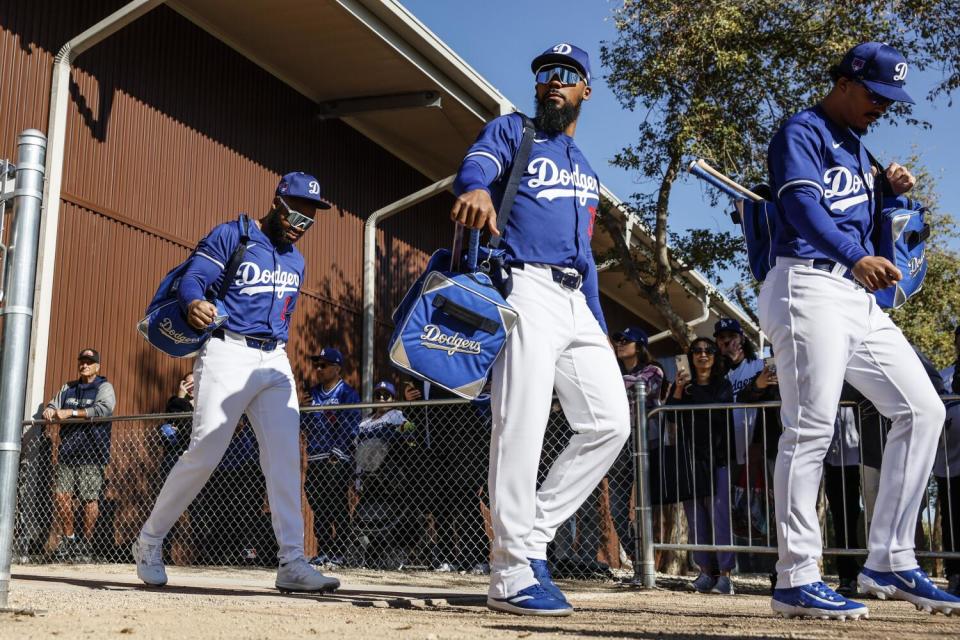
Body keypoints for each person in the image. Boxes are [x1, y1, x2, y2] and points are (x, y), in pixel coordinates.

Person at [761, 41, 957, 619]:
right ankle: (795, 575)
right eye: (876, 95)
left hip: (854, 295)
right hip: (806, 284)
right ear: (845, 82)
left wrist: (886, 194)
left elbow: (873, 236)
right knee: (810, 429)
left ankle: (891, 559)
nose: (883, 107)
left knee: (924, 409)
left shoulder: (861, 154)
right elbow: (800, 210)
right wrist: (854, 254)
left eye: (890, 99)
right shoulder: (802, 132)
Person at [450, 43, 630, 615]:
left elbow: (585, 256)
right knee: (521, 423)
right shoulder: (513, 132)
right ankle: (508, 569)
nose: (553, 82)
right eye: (546, 75)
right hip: (523, 285)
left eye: (567, 75)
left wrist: (599, 326)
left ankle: (532, 537)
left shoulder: (585, 167)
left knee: (610, 422)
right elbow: (477, 164)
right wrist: (475, 188)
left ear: (585, 90)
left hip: (576, 299)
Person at [132, 171, 340, 593]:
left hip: (274, 359)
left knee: (284, 460)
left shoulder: (297, 260)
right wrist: (193, 303)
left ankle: (292, 562)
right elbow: (194, 277)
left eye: (311, 213)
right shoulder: (234, 235)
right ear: (278, 199)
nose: (303, 219)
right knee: (205, 451)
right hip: (228, 350)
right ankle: (149, 542)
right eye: (298, 207)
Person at [668, 338, 736, 595]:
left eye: (708, 350)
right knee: (696, 518)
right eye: (697, 351)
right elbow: (671, 415)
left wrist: (692, 393)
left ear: (715, 357)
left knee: (720, 516)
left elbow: (719, 408)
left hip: (718, 458)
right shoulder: (682, 387)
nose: (702, 355)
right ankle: (705, 572)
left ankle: (726, 575)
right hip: (691, 459)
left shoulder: (723, 384)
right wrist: (678, 389)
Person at [43, 348, 116, 563]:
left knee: (89, 499)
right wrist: (49, 409)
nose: (84, 365)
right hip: (67, 452)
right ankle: (69, 539)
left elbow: (104, 409)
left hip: (92, 453)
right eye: (82, 361)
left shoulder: (104, 386)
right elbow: (54, 404)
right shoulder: (68, 388)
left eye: (89, 362)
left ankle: (85, 544)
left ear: (97, 366)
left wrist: (72, 413)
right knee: (61, 496)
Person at [302, 347, 360, 567]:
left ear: (336, 368)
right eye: (317, 365)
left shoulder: (347, 393)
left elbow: (351, 423)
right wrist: (304, 410)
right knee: (319, 505)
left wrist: (337, 450)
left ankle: (341, 552)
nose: (318, 369)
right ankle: (324, 550)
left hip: (336, 459)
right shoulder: (313, 393)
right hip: (316, 457)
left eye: (323, 365)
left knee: (337, 505)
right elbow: (304, 426)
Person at [611, 326, 665, 564]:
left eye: (626, 340)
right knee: (617, 507)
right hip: (620, 443)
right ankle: (637, 558)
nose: (620, 343)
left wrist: (607, 382)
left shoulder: (654, 370)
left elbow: (639, 385)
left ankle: (649, 564)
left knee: (644, 507)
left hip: (646, 444)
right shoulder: (613, 371)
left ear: (640, 345)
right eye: (618, 340)